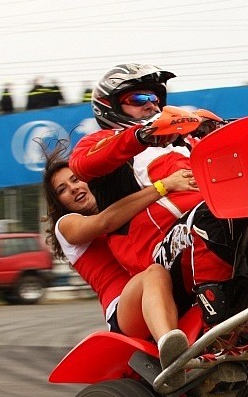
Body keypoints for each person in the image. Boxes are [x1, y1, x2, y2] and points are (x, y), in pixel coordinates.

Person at [69, 63, 239, 327]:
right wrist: (141, 135)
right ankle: (216, 314)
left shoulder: (183, 140)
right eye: (138, 98)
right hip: (157, 254)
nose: (150, 104)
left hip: (213, 227)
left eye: (155, 98)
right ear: (110, 106)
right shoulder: (102, 142)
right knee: (211, 214)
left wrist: (211, 128)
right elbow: (82, 164)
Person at [42, 146, 197, 373]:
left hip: (161, 291)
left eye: (76, 180)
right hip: (124, 310)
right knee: (154, 272)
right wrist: (165, 185)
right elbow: (105, 222)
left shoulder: (126, 203)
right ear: (59, 203)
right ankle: (172, 356)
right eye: (62, 189)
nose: (73, 188)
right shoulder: (65, 226)